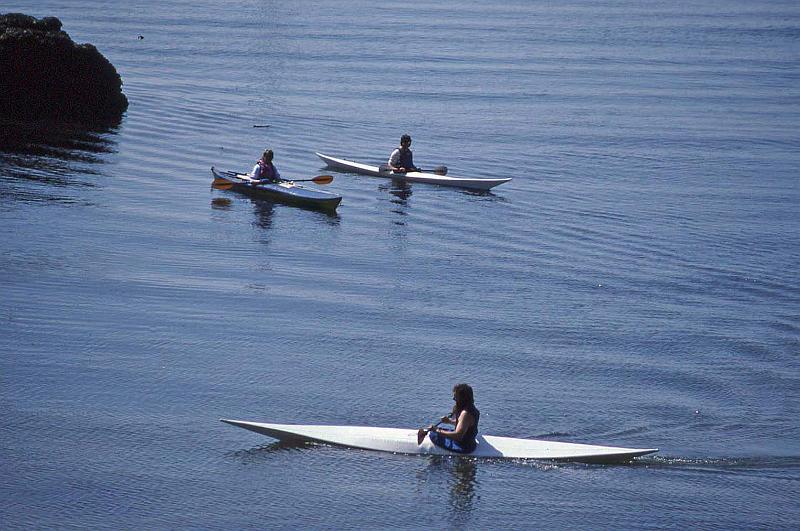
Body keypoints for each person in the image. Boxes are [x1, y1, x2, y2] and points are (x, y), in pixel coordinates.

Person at [427, 383, 480, 454]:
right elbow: (465, 425)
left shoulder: (465, 414)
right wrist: (449, 421)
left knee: (433, 434)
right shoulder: (473, 409)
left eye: (456, 397)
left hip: (463, 446)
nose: (453, 398)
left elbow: (458, 436)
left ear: (463, 398)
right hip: (470, 442)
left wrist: (437, 430)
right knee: (438, 431)